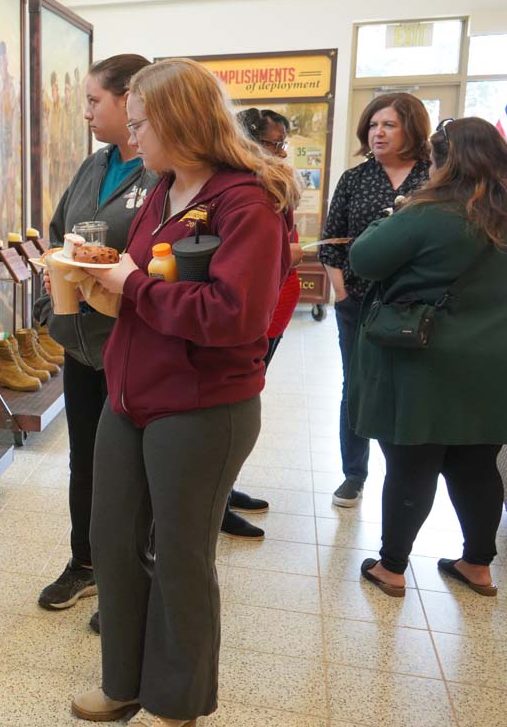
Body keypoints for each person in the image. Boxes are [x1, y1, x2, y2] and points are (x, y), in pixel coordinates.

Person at [71, 59, 294, 727]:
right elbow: (144, 285)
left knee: (181, 558)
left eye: (139, 123)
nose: (131, 137)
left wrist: (133, 286)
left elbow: (235, 315)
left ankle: (177, 702)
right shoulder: (159, 189)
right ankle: (124, 683)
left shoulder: (245, 202)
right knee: (111, 540)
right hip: (132, 394)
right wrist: (100, 287)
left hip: (201, 407)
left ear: (177, 120)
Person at [349, 117, 507, 598]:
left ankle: (392, 568)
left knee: (412, 463)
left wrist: (391, 214)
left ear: (442, 161)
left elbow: (364, 259)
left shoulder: (427, 212)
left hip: (423, 359)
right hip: (493, 364)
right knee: (478, 464)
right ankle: (478, 565)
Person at [33, 55, 157, 623]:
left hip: (131, 341)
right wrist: (57, 267)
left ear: (129, 98)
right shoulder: (95, 164)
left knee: (131, 464)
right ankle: (84, 563)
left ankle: (129, 576)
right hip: (80, 339)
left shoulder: (162, 174)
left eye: (93, 101)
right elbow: (61, 228)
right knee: (84, 459)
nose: (85, 112)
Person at [319, 93, 431, 507]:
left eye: (389, 125)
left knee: (408, 386)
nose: (377, 133)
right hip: (359, 304)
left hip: (419, 308)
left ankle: (406, 475)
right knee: (357, 385)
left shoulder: (434, 178)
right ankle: (354, 473)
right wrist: (343, 295)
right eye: (372, 125)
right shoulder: (355, 178)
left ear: (413, 130)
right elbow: (331, 244)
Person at [215, 108, 306, 540]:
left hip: (277, 308)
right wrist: (291, 253)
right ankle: (216, 501)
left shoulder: (270, 184)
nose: (282, 152)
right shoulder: (241, 192)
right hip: (254, 314)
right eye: (275, 144)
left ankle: (225, 490)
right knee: (229, 412)